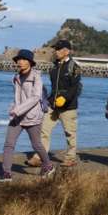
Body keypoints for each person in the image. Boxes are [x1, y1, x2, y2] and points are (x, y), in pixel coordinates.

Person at [0, 49, 55, 182]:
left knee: (36, 145)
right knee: (9, 144)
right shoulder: (16, 77)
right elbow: (18, 97)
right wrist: (13, 108)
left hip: (32, 116)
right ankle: (6, 173)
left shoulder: (36, 77)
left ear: (30, 62)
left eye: (23, 59)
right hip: (17, 117)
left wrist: (18, 109)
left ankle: (48, 166)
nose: (20, 62)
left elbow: (35, 97)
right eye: (18, 60)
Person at [26, 39, 81, 169]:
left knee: (70, 133)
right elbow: (53, 86)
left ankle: (71, 158)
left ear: (66, 51)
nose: (56, 51)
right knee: (44, 130)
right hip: (52, 105)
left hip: (68, 106)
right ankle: (39, 157)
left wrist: (65, 98)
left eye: (58, 49)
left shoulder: (74, 67)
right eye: (55, 49)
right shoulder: (54, 66)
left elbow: (75, 88)